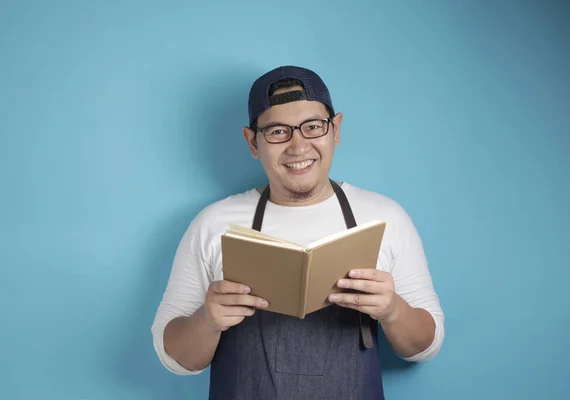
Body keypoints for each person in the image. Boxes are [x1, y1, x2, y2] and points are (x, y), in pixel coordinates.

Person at [151, 65, 445, 399]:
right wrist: (208, 320)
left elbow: (424, 347)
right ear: (252, 142)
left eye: (313, 127)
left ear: (335, 130)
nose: (298, 146)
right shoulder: (214, 224)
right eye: (277, 131)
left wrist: (393, 310)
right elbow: (174, 357)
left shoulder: (385, 218)